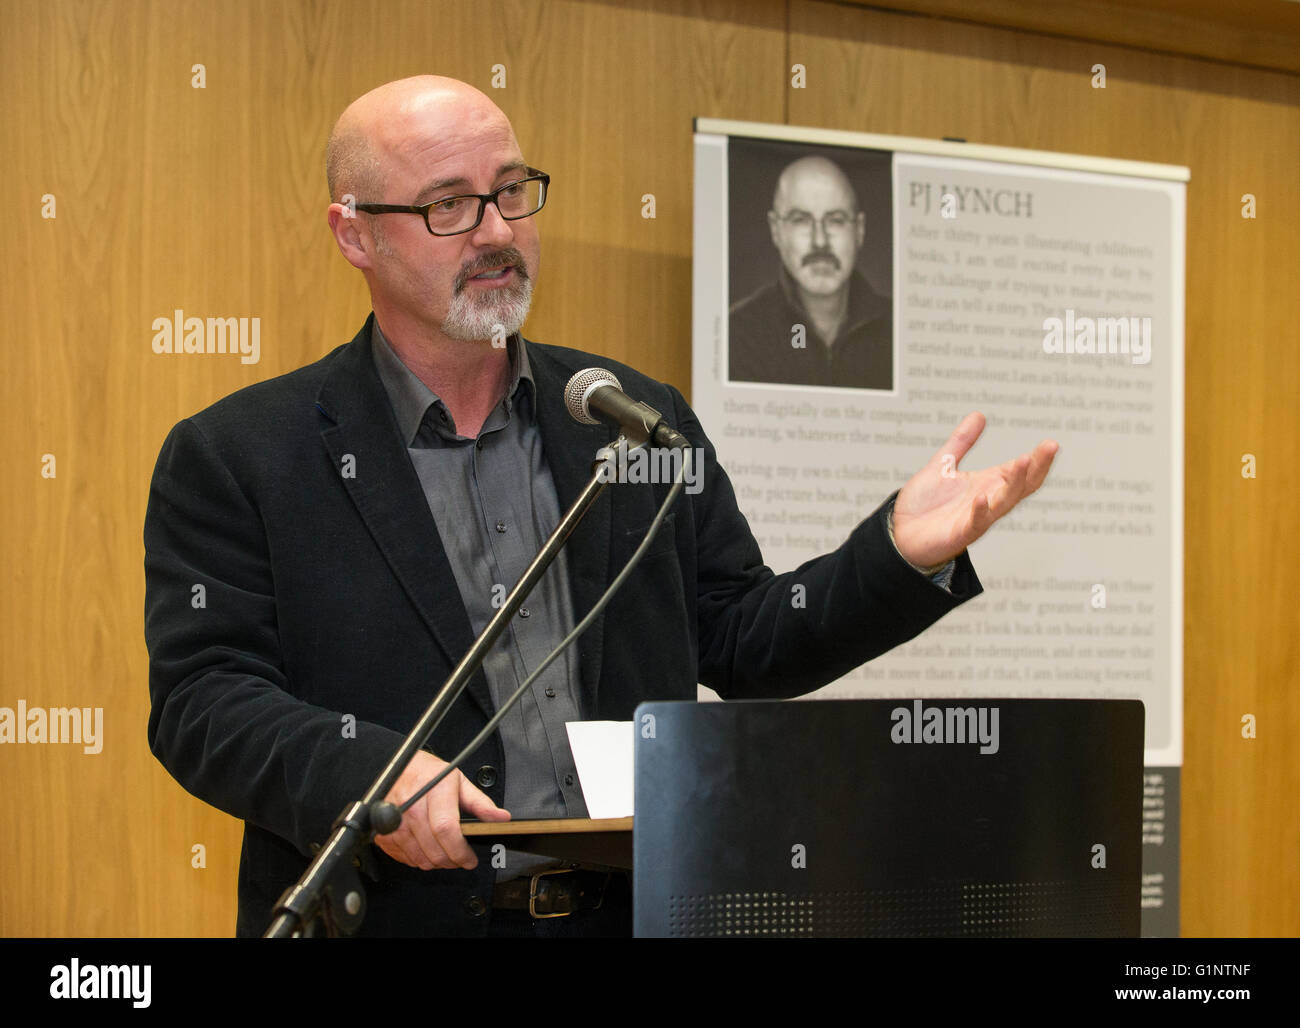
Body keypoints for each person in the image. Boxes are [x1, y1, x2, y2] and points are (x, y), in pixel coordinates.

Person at [143, 76, 1057, 938]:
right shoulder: (243, 456)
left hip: (633, 913)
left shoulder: (628, 416)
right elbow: (203, 701)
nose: (495, 230)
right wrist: (367, 777)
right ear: (355, 235)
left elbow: (742, 640)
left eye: (511, 191)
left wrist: (898, 554)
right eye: (449, 205)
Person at [729, 155, 892, 389]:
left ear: (860, 230)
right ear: (776, 230)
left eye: (836, 220)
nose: (820, 241)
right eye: (801, 220)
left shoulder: (897, 331)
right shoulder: (737, 335)